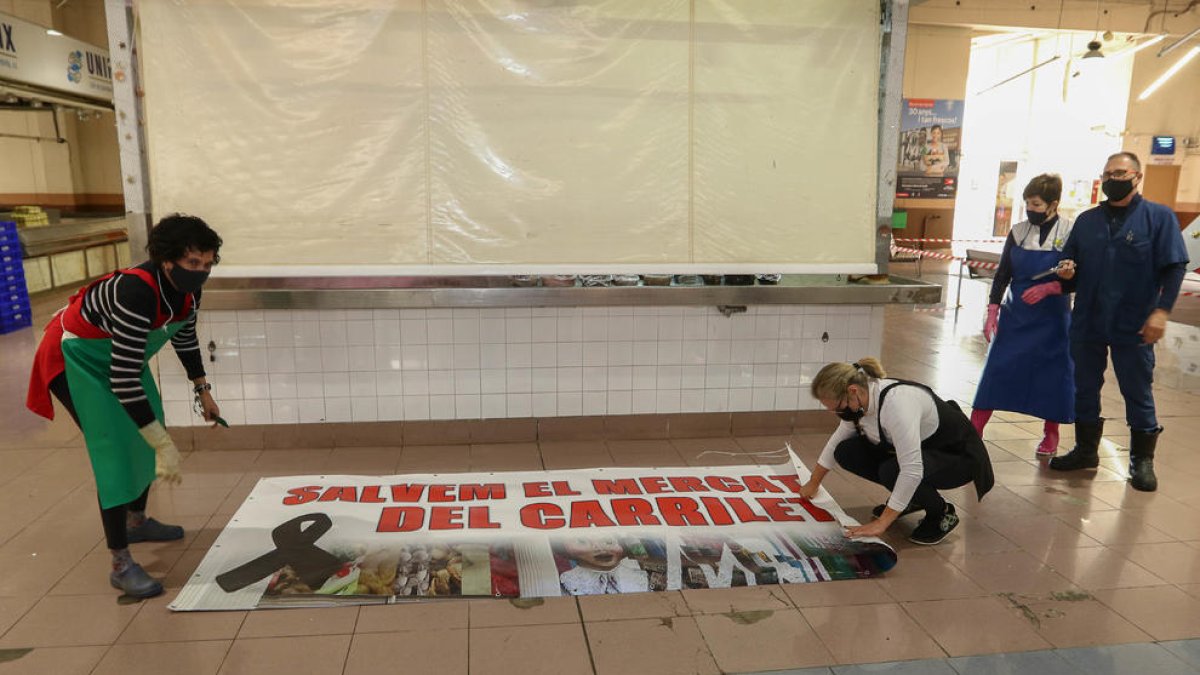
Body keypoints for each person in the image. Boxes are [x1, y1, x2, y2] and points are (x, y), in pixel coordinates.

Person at [26, 214, 223, 598]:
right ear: (167, 260)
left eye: (208, 263)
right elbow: (121, 379)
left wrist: (203, 390)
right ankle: (120, 562)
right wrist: (162, 444)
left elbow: (183, 337)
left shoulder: (187, 291)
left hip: (120, 360)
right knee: (115, 450)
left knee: (150, 423)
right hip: (78, 358)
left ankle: (136, 520)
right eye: (193, 263)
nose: (201, 272)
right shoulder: (137, 292)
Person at [1028, 152, 1188, 492]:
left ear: (1137, 176)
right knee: (1084, 387)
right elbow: (1068, 269)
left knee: (1137, 390)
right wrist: (1067, 273)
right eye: (1107, 173)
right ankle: (1086, 450)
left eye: (1119, 172)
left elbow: (1175, 267)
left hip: (1135, 323)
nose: (1112, 179)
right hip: (1088, 320)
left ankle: (1141, 461)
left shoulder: (1158, 218)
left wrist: (1161, 312)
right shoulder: (1087, 222)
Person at [799, 358, 994, 545]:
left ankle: (942, 512)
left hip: (958, 457)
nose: (837, 413)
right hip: (925, 452)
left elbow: (912, 469)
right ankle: (911, 497)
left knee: (893, 471)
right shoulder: (862, 400)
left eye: (838, 407)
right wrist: (813, 483)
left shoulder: (896, 405)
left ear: (853, 390)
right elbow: (836, 442)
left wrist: (881, 523)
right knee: (846, 451)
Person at [972, 174, 1074, 456]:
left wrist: (1054, 286)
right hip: (1016, 316)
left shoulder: (1069, 232)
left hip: (1053, 318)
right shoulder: (1018, 232)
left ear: (1053, 204)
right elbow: (1003, 273)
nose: (1031, 208)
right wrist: (992, 310)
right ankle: (974, 430)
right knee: (997, 369)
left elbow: (1080, 274)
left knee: (1053, 375)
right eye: (1028, 203)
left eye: (1037, 203)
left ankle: (1051, 433)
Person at [558, 535, 649, 595]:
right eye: (582, 542)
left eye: (608, 541)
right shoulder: (568, 581)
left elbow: (641, 554)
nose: (600, 548)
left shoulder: (642, 578)